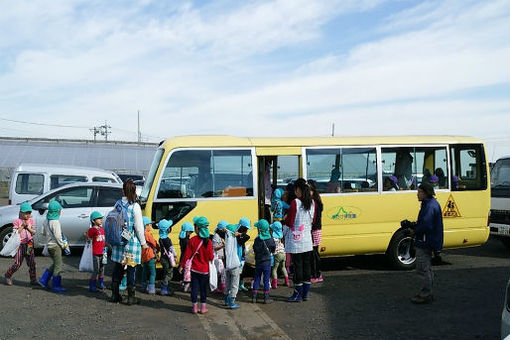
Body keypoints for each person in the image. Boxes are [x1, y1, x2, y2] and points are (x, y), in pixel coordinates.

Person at [403, 182, 444, 304]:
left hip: (425, 240)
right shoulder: (430, 204)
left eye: (420, 192)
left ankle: (426, 294)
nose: (417, 194)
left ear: (426, 193)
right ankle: (428, 292)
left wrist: (414, 231)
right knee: (427, 268)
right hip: (429, 240)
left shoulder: (429, 206)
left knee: (422, 268)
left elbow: (426, 225)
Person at [109, 180, 148, 305]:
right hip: (131, 243)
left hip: (119, 242)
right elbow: (139, 227)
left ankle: (115, 295)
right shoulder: (135, 206)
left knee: (118, 267)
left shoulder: (118, 204)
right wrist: (143, 243)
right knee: (131, 269)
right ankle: (131, 297)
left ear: (123, 191)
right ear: (135, 191)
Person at [283, 178, 315, 302]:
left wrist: (284, 221)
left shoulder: (295, 202)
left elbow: (290, 221)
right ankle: (305, 294)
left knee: (298, 267)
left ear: (298, 189)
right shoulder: (312, 203)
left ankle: (297, 294)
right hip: (307, 240)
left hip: (296, 242)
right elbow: (312, 220)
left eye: (295, 189)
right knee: (307, 266)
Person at [179, 216, 214, 314]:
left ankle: (194, 307)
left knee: (194, 288)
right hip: (205, 270)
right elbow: (211, 257)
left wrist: (181, 266)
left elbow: (187, 255)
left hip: (194, 269)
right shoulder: (209, 242)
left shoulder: (193, 240)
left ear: (198, 228)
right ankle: (203, 308)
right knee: (203, 289)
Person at [38, 200, 70, 293]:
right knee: (58, 266)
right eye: (60, 210)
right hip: (56, 246)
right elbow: (58, 235)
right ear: (57, 211)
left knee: (55, 263)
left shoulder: (46, 220)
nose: (60, 211)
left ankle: (43, 280)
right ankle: (56, 286)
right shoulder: (55, 222)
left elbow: (42, 232)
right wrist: (63, 245)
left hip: (49, 246)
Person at [4, 202, 37, 286]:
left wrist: (28, 227)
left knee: (32, 263)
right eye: (25, 213)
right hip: (20, 244)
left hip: (29, 244)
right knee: (18, 263)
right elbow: (16, 233)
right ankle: (8, 275)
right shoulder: (17, 221)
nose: (27, 215)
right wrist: (22, 226)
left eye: (29, 213)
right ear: (21, 212)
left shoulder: (31, 221)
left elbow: (33, 232)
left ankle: (33, 279)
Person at [251, 219, 276, 304]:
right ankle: (266, 297)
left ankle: (254, 296)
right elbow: (273, 249)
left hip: (258, 262)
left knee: (257, 278)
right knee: (266, 279)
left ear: (260, 229)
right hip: (267, 263)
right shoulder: (270, 239)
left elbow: (254, 249)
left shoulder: (257, 239)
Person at [84, 211, 106, 292]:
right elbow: (89, 239)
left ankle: (101, 283)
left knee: (102, 268)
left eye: (101, 218)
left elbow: (104, 240)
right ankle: (92, 285)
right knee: (96, 269)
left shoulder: (102, 229)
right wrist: (86, 236)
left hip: (103, 252)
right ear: (93, 221)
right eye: (99, 219)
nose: (101, 220)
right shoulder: (92, 230)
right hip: (95, 253)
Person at [224, 223, 243, 309]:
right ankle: (232, 302)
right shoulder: (233, 238)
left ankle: (226, 300)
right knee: (235, 284)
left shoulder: (227, 238)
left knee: (227, 283)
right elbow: (246, 236)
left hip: (227, 265)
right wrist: (240, 234)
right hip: (234, 265)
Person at [308, 180, 324, 283]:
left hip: (314, 229)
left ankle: (316, 274)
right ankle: (317, 274)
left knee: (314, 253)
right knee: (315, 252)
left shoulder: (313, 201)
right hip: (317, 229)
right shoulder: (317, 200)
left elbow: (312, 218)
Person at [141, 216, 159, 295]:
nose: (150, 226)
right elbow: (154, 243)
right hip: (150, 255)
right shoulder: (147, 234)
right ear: (145, 225)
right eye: (148, 225)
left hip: (144, 255)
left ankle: (143, 287)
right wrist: (158, 247)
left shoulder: (140, 233)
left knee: (144, 271)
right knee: (152, 272)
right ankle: (151, 288)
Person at [158, 219, 176, 296]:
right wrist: (175, 255)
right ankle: (164, 289)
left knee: (166, 272)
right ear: (167, 229)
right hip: (167, 259)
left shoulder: (161, 238)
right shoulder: (167, 240)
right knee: (169, 273)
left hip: (163, 258)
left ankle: (165, 287)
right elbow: (171, 249)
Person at [270, 221, 289, 288]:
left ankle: (274, 284)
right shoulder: (281, 236)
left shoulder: (273, 238)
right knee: (283, 267)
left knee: (274, 269)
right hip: (284, 253)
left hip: (277, 254)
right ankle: (287, 281)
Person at [236, 217, 251, 292]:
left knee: (242, 272)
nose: (247, 230)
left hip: (241, 255)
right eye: (246, 228)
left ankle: (241, 284)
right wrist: (240, 234)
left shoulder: (239, 234)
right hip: (237, 256)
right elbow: (247, 237)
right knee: (237, 272)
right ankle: (237, 285)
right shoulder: (237, 235)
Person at [212, 220, 227, 294]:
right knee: (223, 273)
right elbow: (214, 247)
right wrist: (223, 246)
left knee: (218, 273)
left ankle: (216, 288)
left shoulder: (219, 236)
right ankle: (223, 288)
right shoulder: (216, 236)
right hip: (217, 258)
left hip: (219, 258)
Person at [179, 222, 194, 292]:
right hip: (187, 258)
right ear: (187, 231)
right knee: (187, 273)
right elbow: (188, 252)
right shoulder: (187, 241)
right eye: (190, 232)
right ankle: (186, 287)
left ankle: (183, 284)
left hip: (182, 256)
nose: (191, 233)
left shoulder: (181, 238)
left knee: (184, 272)